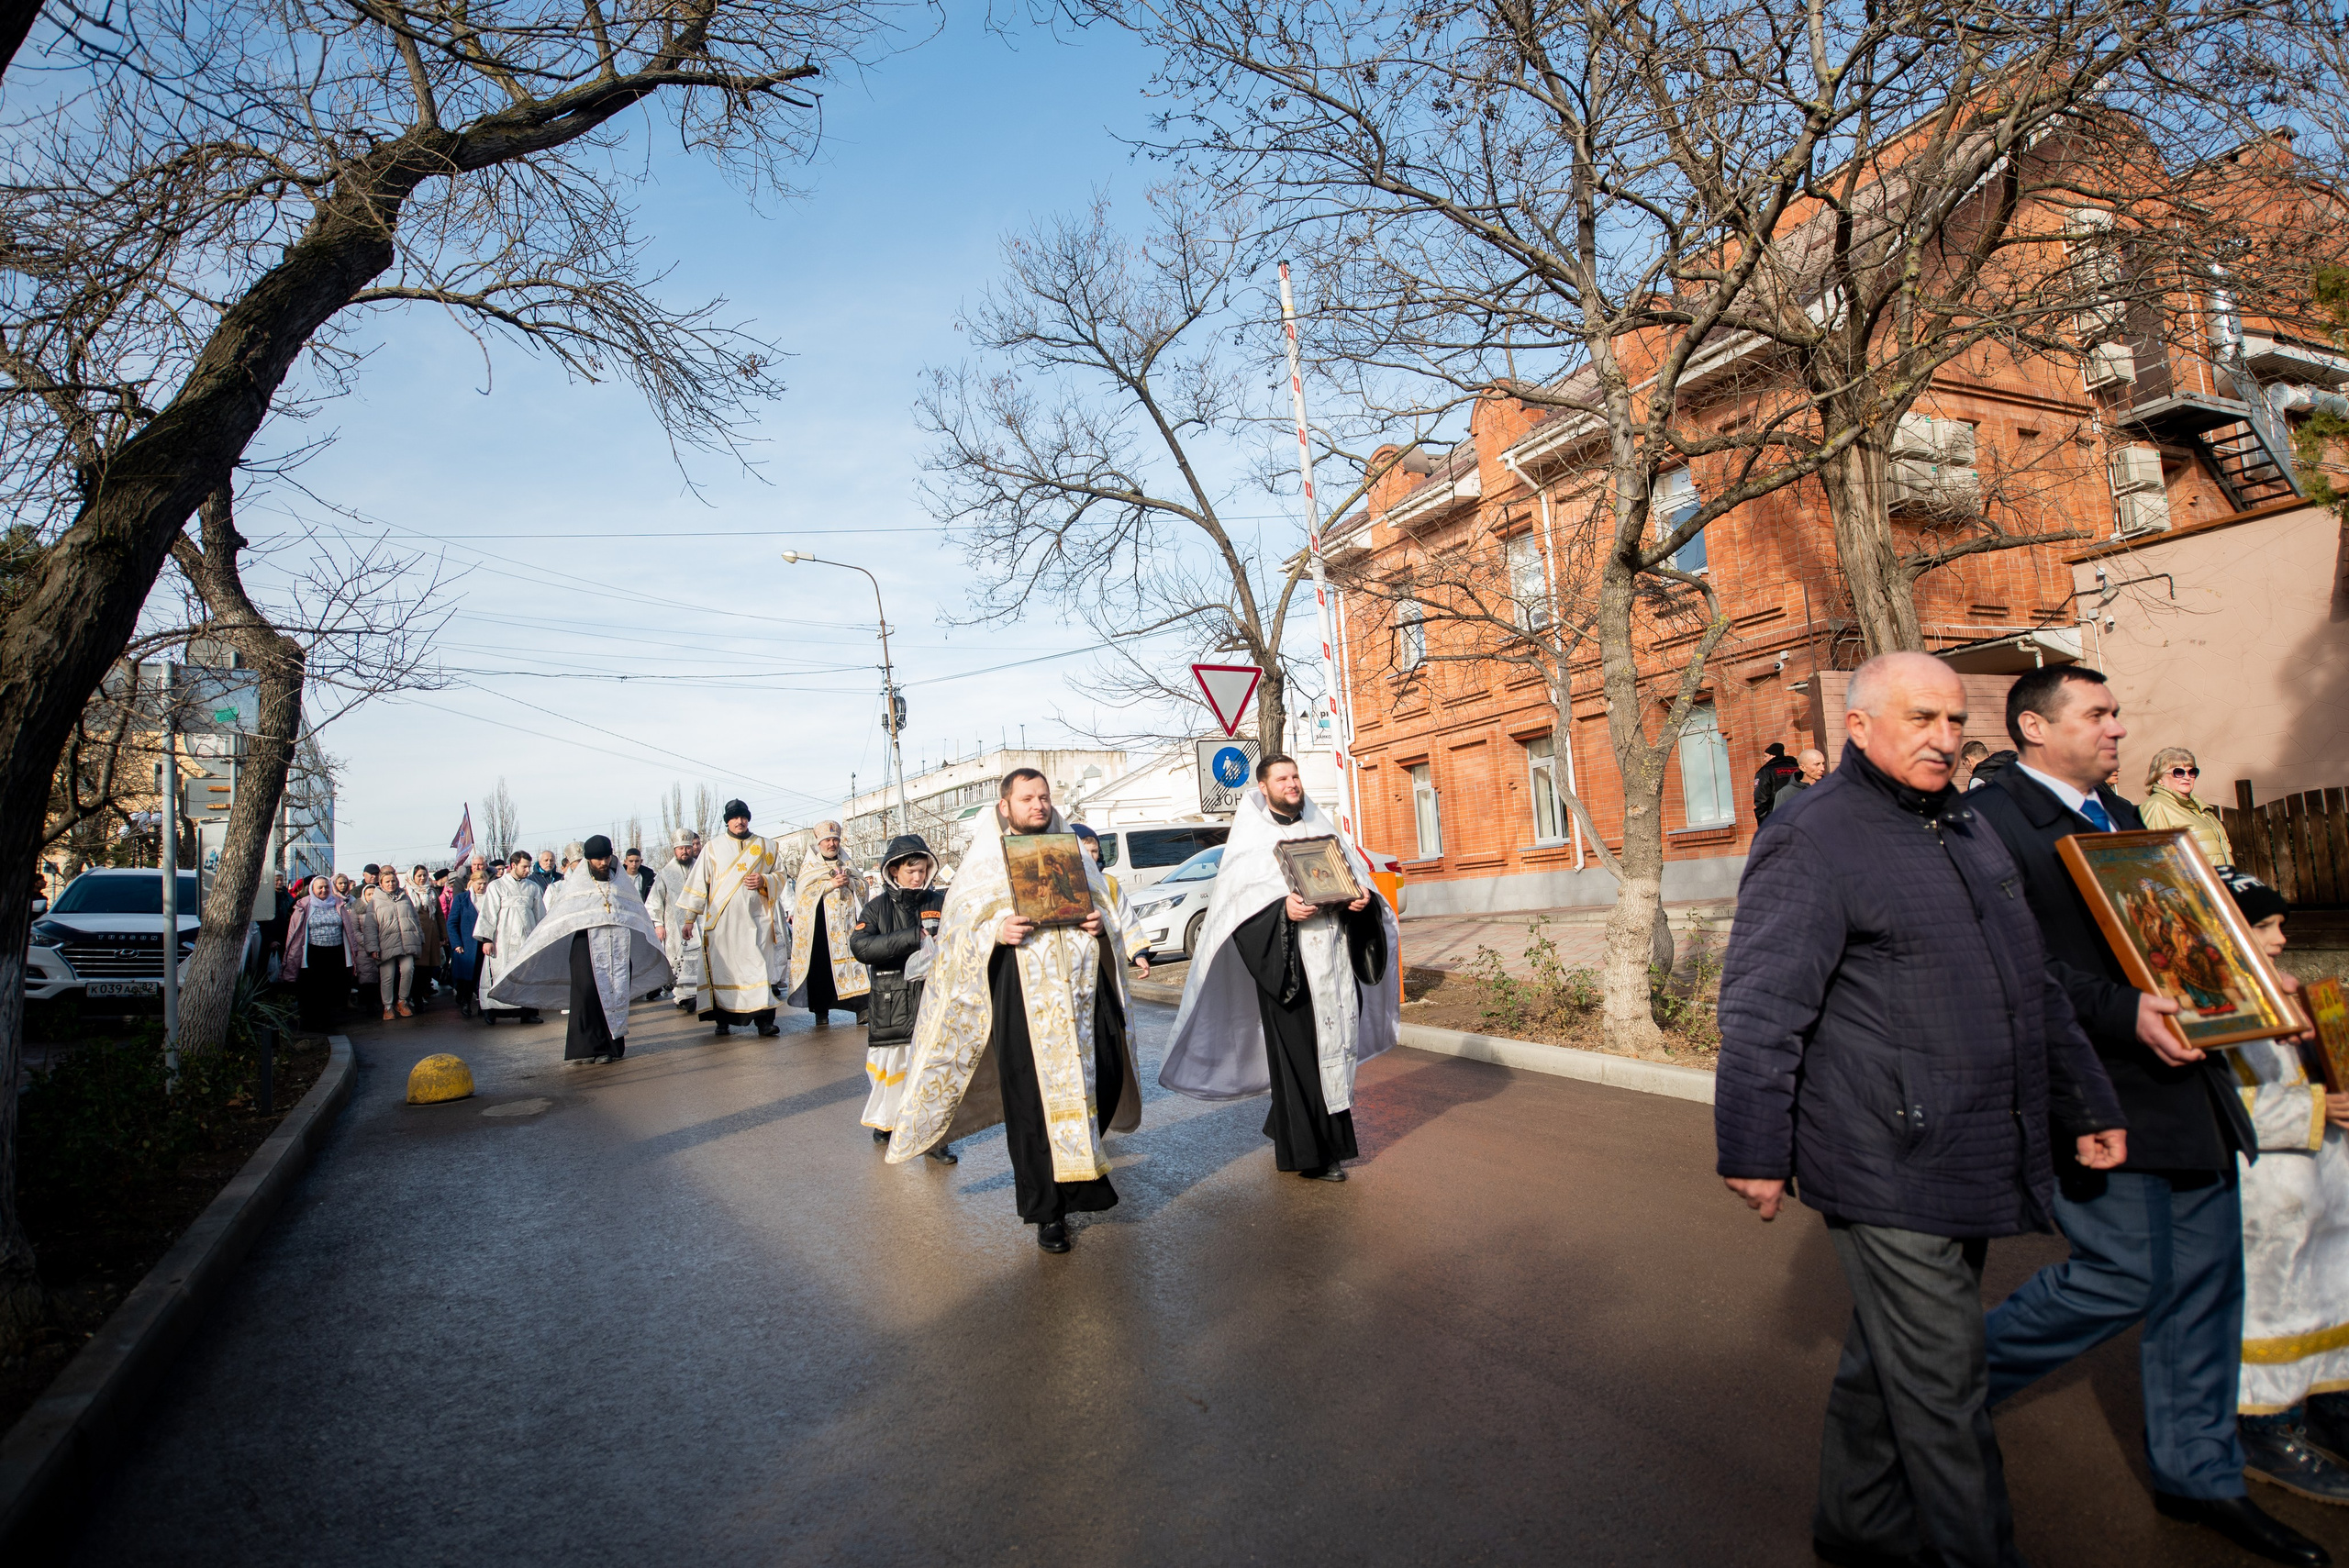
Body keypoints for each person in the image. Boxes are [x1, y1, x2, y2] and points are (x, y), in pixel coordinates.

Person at [1715, 651, 2129, 1568]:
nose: (1944, 738)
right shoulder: (1812, 836)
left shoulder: (1967, 826)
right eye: (1920, 719)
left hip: (1976, 1135)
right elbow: (1761, 1005)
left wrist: (2084, 1097)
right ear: (1857, 726)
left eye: (1953, 720)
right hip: (1882, 1152)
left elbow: (2032, 983)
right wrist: (1754, 1144)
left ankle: (1856, 1521)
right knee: (1946, 1382)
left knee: (1893, 1355)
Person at [1969, 664, 2326, 1567]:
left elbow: (2183, 938)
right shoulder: (1993, 823)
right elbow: (2010, 971)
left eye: (2116, 712)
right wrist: (2121, 1011)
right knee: (2123, 1273)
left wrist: (2248, 979)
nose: (2116, 727)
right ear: (2032, 729)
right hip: (2093, 1082)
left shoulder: (2124, 821)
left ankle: (2201, 1477)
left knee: (2203, 1287)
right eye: (2096, 713)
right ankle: (1932, 1385)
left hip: (2187, 1082)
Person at [886, 769, 1141, 1252]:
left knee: (1103, 1078)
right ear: (1005, 806)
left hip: (1084, 997)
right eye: (1027, 798)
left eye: (1044, 797)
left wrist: (1098, 923)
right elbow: (959, 933)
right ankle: (1048, 1212)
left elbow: (1109, 911)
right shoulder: (983, 864)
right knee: (1031, 1103)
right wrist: (995, 931)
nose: (1038, 805)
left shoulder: (1072, 852)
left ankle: (1080, 1175)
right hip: (1020, 994)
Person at [1161, 755, 1400, 1181]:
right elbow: (1236, 910)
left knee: (1331, 1054)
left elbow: (1353, 879)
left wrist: (1362, 898)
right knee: (1301, 1060)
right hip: (1288, 967)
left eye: (1295, 777)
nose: (1292, 784)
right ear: (1263, 786)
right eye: (1282, 779)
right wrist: (1282, 911)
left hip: (1335, 963)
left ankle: (1290, 1125)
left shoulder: (1324, 829)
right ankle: (1314, 1156)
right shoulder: (1251, 840)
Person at [2215, 872, 2349, 1502]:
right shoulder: (2209, 1002)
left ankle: (2323, 1401)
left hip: (2318, 1191)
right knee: (2274, 1305)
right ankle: (2265, 1425)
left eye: (2277, 925)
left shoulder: (2277, 989)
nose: (2279, 939)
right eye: (2263, 925)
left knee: (2326, 1292)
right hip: (2264, 1194)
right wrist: (2318, 1109)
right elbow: (2228, 1107)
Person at [487, 835, 671, 1065]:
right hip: (586, 946)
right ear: (588, 861)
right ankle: (585, 1048)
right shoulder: (578, 883)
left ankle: (609, 1047)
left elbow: (637, 914)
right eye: (597, 860)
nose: (603, 864)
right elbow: (561, 917)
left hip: (618, 949)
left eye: (606, 858)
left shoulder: (621, 883)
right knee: (586, 995)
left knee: (615, 994)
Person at [850, 834, 955, 1162]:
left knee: (932, 1070)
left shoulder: (938, 902)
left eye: (923, 870)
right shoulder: (877, 908)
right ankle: (887, 1122)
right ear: (894, 871)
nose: (918, 877)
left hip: (931, 1000)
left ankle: (933, 1139)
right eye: (911, 871)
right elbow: (861, 947)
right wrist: (911, 938)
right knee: (891, 1069)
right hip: (892, 1002)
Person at [674, 800, 785, 1038]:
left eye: (743, 816)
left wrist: (765, 881)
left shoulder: (767, 846)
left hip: (756, 922)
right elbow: (698, 883)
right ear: (727, 820)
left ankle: (764, 1023)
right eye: (734, 817)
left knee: (759, 970)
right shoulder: (713, 848)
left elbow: (781, 875)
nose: (740, 821)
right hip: (723, 925)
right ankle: (722, 1020)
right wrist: (689, 918)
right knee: (724, 970)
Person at [786, 820, 870, 1025]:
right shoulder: (811, 866)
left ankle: (862, 1009)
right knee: (821, 969)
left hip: (847, 927)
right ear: (819, 843)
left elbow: (864, 887)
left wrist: (850, 882)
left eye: (835, 840)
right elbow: (803, 895)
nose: (832, 844)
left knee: (854, 965)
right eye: (827, 840)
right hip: (821, 929)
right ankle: (821, 1012)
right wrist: (829, 885)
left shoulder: (846, 863)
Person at [474, 850, 547, 1026]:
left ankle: (528, 1012)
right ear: (513, 865)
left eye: (529, 867)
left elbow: (540, 916)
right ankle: (491, 1011)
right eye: (524, 866)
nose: (527, 870)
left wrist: (541, 939)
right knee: (499, 975)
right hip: (502, 941)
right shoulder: (496, 886)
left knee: (527, 975)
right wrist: (487, 939)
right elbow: (488, 914)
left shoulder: (533, 888)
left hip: (526, 940)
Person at [1072, 824, 1151, 975]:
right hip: (1076, 961)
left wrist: (1138, 953)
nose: (1090, 855)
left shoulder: (1109, 883)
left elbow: (1126, 918)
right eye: (1084, 851)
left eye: (1094, 851)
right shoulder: (1061, 883)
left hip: (1106, 956)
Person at [280, 875, 356, 1030]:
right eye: (320, 887)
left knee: (331, 988)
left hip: (336, 952)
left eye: (326, 887)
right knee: (312, 989)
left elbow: (348, 928)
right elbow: (294, 932)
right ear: (312, 889)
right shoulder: (304, 905)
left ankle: (327, 1021)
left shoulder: (338, 904)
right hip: (312, 953)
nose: (323, 890)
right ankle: (310, 1023)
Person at [2141, 746, 2235, 870]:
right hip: (2194, 887)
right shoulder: (2156, 806)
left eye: (2192, 772)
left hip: (2220, 884)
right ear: (2159, 778)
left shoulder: (2201, 809)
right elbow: (2152, 861)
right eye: (2178, 772)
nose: (2187, 777)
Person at [645, 829, 703, 1009]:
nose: (684, 852)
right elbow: (654, 901)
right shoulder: (665, 873)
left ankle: (699, 993)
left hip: (700, 924)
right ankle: (682, 996)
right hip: (674, 926)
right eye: (680, 849)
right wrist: (658, 924)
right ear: (674, 850)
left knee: (700, 959)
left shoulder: (700, 868)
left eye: (687, 848)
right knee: (679, 959)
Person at [369, 865, 425, 1020]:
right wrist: (372, 947)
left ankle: (402, 1001)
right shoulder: (375, 901)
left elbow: (415, 919)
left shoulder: (405, 897)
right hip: (386, 944)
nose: (391, 884)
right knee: (388, 976)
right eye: (387, 881)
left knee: (408, 969)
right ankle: (387, 1006)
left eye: (393, 881)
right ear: (381, 883)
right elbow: (370, 926)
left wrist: (420, 937)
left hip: (406, 942)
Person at [446, 866, 488, 1019]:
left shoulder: (490, 899)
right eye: (479, 883)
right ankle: (465, 1003)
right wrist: (456, 943)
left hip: (484, 945)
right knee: (466, 977)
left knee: (482, 977)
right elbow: (452, 923)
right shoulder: (462, 899)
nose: (482, 887)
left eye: (484, 883)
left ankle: (484, 1006)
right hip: (466, 945)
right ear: (472, 883)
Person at [1752, 740, 1802, 825]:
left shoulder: (1765, 771)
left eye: (1765, 756)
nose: (1764, 759)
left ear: (1773, 756)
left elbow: (1761, 800)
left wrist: (1764, 823)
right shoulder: (1798, 768)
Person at [1770, 747, 1826, 815]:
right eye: (1817, 764)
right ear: (1803, 768)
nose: (1822, 768)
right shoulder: (1786, 793)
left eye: (1823, 764)